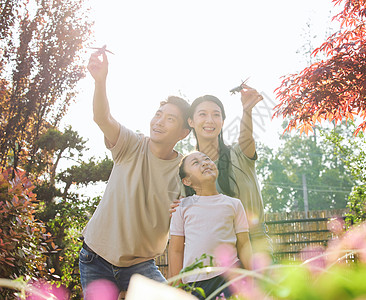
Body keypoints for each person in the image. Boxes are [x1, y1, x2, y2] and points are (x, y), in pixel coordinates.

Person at [79, 49, 191, 296]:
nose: (159, 122)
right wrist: (100, 81)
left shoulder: (185, 170)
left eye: (170, 119)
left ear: (184, 132)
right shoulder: (131, 144)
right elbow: (102, 117)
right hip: (95, 257)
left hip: (139, 265)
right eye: (158, 115)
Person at [186, 89, 271, 253]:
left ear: (223, 122)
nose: (210, 120)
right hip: (216, 250)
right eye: (202, 114)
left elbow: (246, 137)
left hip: (255, 245)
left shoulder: (239, 154)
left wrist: (247, 110)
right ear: (191, 121)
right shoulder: (188, 168)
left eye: (216, 115)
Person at [168, 151, 252, 299]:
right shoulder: (181, 207)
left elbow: (244, 244)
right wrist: (177, 286)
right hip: (195, 282)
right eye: (196, 162)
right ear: (187, 181)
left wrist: (253, 278)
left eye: (207, 159)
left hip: (229, 276)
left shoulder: (234, 204)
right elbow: (175, 250)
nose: (205, 163)